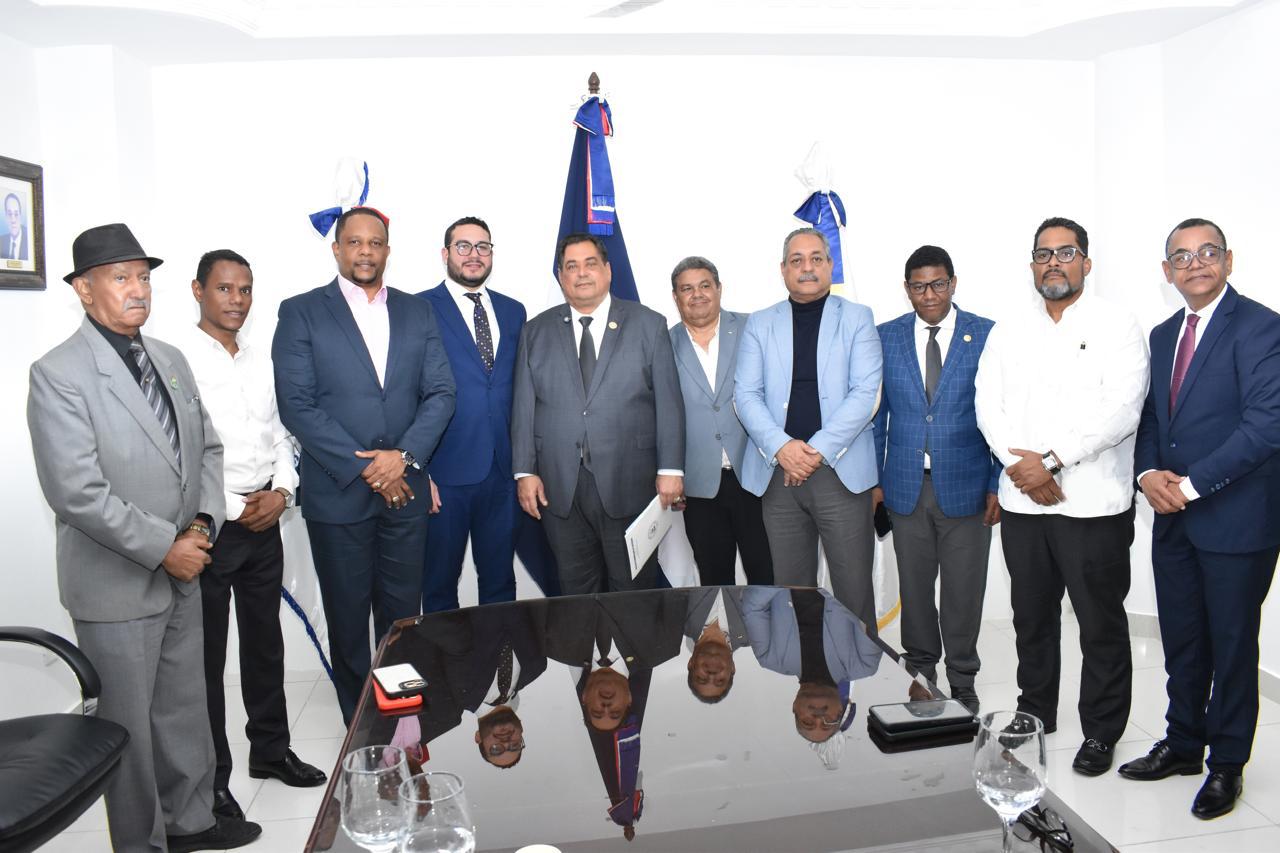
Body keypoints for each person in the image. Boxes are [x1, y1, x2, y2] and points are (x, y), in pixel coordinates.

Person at [27, 223, 260, 852]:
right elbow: (76, 492)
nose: (138, 290)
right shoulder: (59, 373)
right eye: (120, 278)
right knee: (127, 731)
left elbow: (208, 450)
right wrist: (166, 547)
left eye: (143, 277)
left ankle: (191, 825)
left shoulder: (170, 358)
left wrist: (203, 526)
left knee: (183, 713)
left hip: (186, 567)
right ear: (84, 289)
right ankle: (142, 843)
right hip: (118, 582)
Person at [974, 217, 1148, 777]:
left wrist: (1050, 461)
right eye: (1044, 253)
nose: (1054, 262)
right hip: (1024, 503)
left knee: (1099, 623)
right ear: (1032, 266)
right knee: (1032, 618)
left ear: (1086, 263)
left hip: (1093, 504)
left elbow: (1122, 409)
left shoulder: (1117, 324)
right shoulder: (1009, 329)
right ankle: (1036, 712)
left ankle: (1101, 731)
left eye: (1066, 252)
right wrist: (1022, 467)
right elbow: (987, 404)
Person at [1120, 219, 1280, 819]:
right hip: (1174, 520)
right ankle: (1184, 742)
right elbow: (1153, 420)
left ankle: (1226, 765)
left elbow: (1266, 426)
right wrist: (1146, 474)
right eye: (1182, 257)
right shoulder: (1165, 335)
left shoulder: (1263, 328)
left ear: (1228, 260)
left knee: (1231, 647)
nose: (1196, 264)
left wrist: (1186, 486)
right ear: (1167, 272)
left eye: (1208, 252)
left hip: (1238, 519)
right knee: (1183, 640)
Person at [273, 206, 456, 723]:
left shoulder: (418, 312)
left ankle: (401, 722)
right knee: (348, 621)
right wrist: (369, 469)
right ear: (337, 249)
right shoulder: (302, 312)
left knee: (403, 619)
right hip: (338, 495)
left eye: (375, 243)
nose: (365, 252)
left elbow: (441, 392)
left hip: (406, 491)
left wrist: (403, 458)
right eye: (354, 242)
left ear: (387, 251)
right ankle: (363, 729)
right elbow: (297, 404)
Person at [180, 250, 326, 822]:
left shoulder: (262, 359)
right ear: (198, 291)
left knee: (265, 645)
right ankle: (213, 781)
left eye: (244, 289)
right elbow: (180, 452)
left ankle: (270, 751)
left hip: (266, 519)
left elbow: (283, 435)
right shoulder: (177, 361)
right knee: (207, 660)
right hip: (210, 527)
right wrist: (234, 505)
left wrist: (283, 493)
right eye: (224, 289)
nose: (237, 300)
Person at [511, 233, 684, 594]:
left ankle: (634, 636)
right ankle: (585, 637)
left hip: (630, 479)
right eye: (571, 266)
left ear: (607, 270)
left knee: (633, 589)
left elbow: (669, 402)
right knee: (576, 591)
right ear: (561, 277)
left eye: (590, 264)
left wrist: (671, 468)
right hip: (560, 486)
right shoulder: (535, 331)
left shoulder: (648, 324)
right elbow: (524, 406)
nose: (581, 273)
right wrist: (525, 471)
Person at [871, 245, 1000, 715]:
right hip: (905, 486)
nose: (929, 295)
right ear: (907, 289)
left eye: (938, 284)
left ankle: (963, 678)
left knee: (964, 591)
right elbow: (876, 415)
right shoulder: (886, 336)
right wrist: (875, 481)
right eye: (919, 286)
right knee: (915, 588)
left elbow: (1001, 414)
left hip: (968, 486)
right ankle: (921, 672)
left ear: (953, 283)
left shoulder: (985, 334)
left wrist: (997, 483)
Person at [734, 227, 883, 627]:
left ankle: (858, 667)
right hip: (778, 475)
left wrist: (814, 451)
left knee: (853, 592)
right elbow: (745, 395)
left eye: (816, 258)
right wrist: (783, 448)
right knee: (791, 593)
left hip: (840, 472)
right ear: (783, 269)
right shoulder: (760, 323)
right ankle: (805, 665)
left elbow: (866, 394)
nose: (807, 267)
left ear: (830, 266)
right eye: (796, 260)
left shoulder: (857, 318)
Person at [418, 216, 527, 611]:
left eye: (483, 246)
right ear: (445, 254)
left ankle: (499, 653)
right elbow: (405, 392)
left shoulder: (514, 311)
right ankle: (444, 656)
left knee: (500, 584)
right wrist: (419, 471)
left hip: (503, 472)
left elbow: (520, 388)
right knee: (438, 586)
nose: (473, 254)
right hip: (444, 474)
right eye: (463, 246)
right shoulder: (418, 308)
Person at [668, 256, 773, 586]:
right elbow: (660, 416)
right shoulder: (662, 343)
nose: (697, 294)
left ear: (719, 289)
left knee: (768, 575)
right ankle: (722, 624)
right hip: (699, 485)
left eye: (704, 285)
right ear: (676, 296)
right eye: (687, 288)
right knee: (714, 581)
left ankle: (768, 623)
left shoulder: (752, 328)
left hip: (756, 478)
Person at [682, 585, 752, 703]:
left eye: (702, 679)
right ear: (732, 668)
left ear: (690, 663)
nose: (711, 675)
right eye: (720, 681)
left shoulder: (679, 619)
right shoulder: (754, 632)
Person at [2, 192, 28, 260]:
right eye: (10, 214)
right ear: (6, 217)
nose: (13, 220)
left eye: (16, 214)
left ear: (21, 216)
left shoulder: (30, 240)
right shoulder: (1, 242)